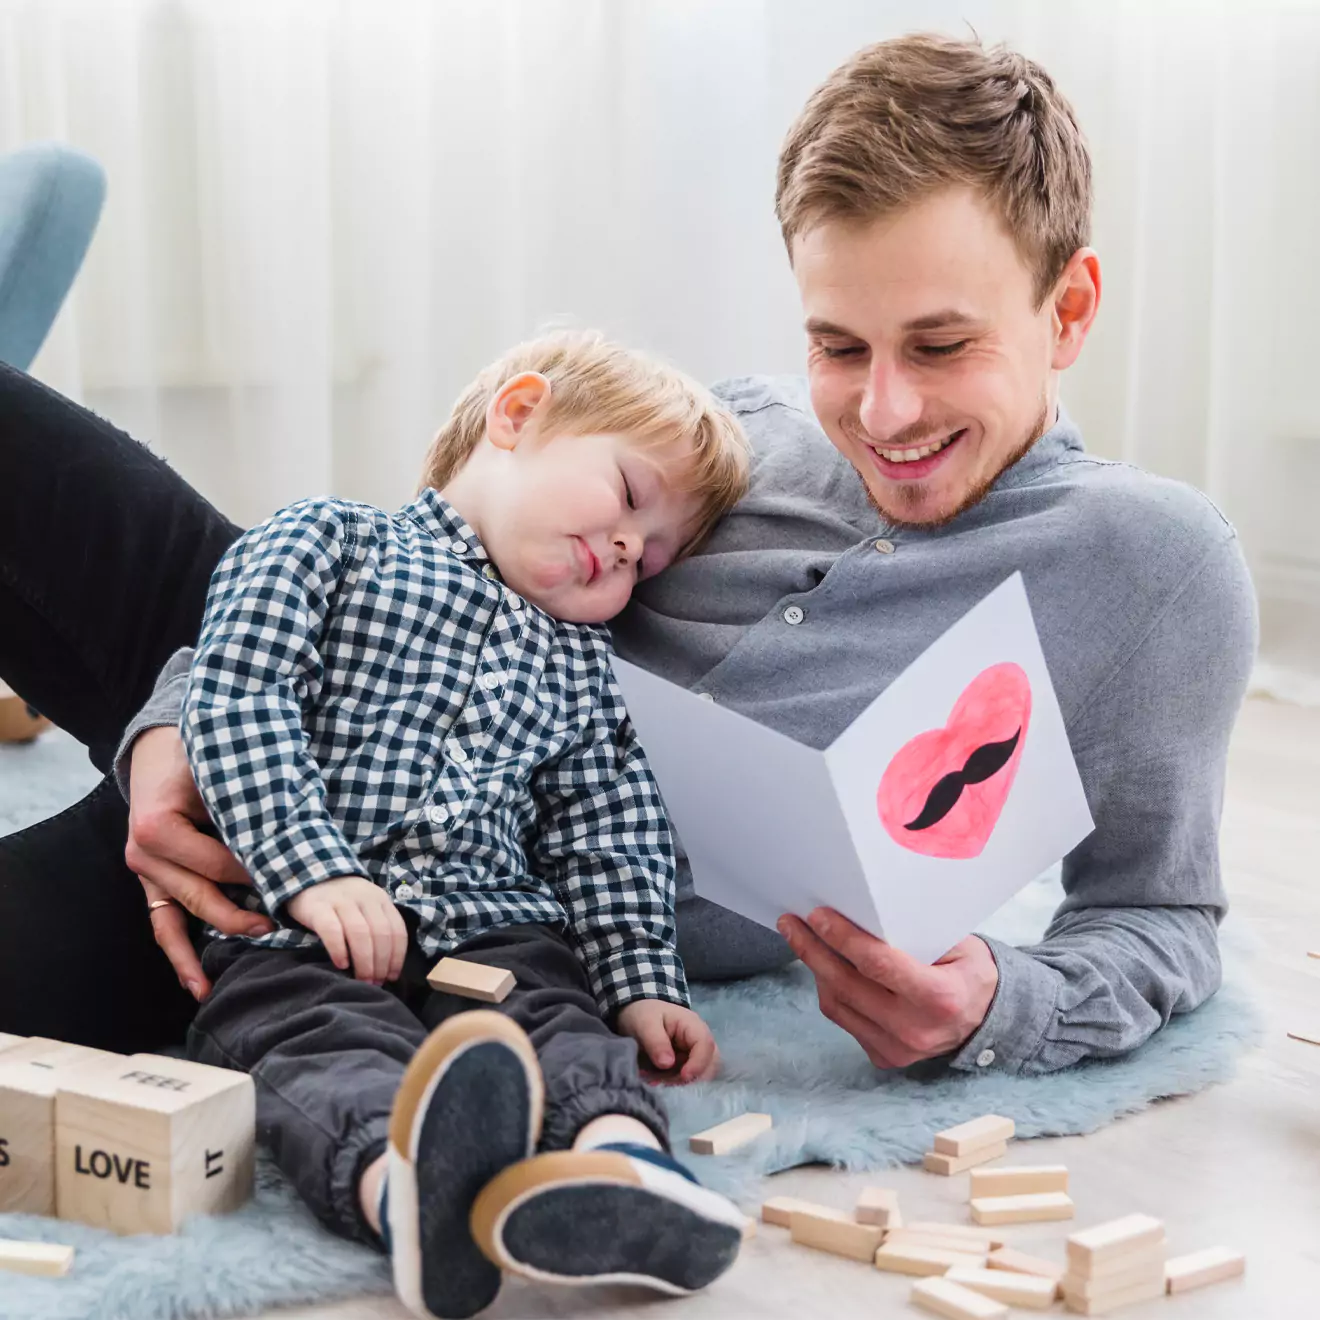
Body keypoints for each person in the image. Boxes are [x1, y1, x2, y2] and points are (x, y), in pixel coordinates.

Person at [0, 34, 1255, 1087]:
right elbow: (428, 563)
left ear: (1071, 310)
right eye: (838, 343)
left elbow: (1160, 918)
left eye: (938, 347)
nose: (880, 413)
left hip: (417, 895)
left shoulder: (1151, 568)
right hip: (285, 680)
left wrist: (999, 1009)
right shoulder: (741, 430)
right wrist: (178, 718)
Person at [180, 330, 751, 1319]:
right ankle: (406, 1197)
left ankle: (622, 1171)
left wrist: (641, 985)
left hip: (490, 927)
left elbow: (605, 833)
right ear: (518, 415)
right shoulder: (327, 541)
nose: (626, 549)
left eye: (648, 557)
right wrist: (314, 871)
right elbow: (237, 698)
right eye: (625, 497)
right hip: (297, 930)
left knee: (555, 1024)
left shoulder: (579, 663)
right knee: (308, 1048)